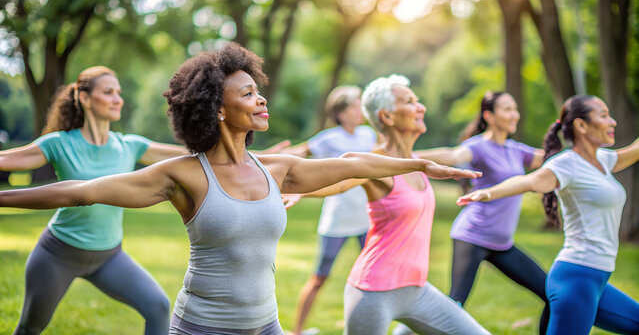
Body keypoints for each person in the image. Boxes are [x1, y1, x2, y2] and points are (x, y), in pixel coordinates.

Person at [0, 44, 481, 335]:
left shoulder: (275, 170)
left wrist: (419, 161)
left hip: (265, 326)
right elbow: (78, 192)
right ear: (217, 109)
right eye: (247, 93)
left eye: (258, 88)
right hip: (200, 328)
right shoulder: (185, 174)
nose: (260, 96)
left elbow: (349, 164)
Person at [287, 75, 490, 335]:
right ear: (387, 117)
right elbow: (341, 181)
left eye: (417, 100)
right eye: (409, 101)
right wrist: (304, 191)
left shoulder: (416, 160)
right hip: (374, 293)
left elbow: (452, 153)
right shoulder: (376, 164)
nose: (421, 107)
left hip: (417, 290)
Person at [0, 66, 191, 334]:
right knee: (30, 328)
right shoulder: (59, 143)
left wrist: (260, 156)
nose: (118, 99)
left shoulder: (129, 146)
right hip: (57, 254)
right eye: (108, 92)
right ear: (85, 98)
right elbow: (7, 160)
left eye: (119, 93)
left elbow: (187, 157)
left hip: (109, 257)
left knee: (157, 306)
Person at [457, 94, 639, 335]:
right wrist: (487, 193)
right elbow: (529, 181)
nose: (612, 122)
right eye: (604, 115)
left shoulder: (605, 160)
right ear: (581, 125)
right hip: (577, 278)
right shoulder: (566, 164)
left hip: (597, 278)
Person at [400, 91, 549, 334]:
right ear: (489, 115)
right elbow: (453, 155)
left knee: (551, 294)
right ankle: (405, 331)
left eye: (515, 109)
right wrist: (405, 157)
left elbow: (551, 161)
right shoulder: (478, 146)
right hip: (472, 236)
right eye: (508, 109)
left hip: (502, 244)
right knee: (455, 305)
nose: (515, 115)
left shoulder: (516, 150)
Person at [287, 85, 377, 335]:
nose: (360, 110)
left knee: (369, 278)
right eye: (355, 106)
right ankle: (296, 331)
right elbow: (297, 154)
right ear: (341, 112)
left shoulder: (369, 136)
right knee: (319, 277)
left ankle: (356, 324)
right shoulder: (329, 138)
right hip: (337, 219)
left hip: (366, 218)